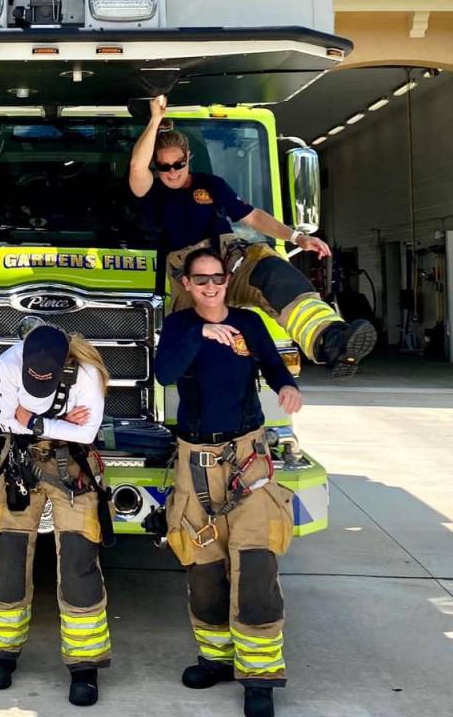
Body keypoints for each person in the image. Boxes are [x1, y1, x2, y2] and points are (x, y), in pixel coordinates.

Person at [154, 248, 303, 717]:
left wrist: (287, 385)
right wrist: (201, 332)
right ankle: (216, 658)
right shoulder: (179, 328)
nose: (211, 287)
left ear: (226, 280)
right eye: (200, 280)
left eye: (217, 278)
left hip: (246, 457)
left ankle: (259, 675)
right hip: (195, 460)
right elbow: (165, 373)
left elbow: (273, 366)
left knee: (256, 560)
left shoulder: (250, 322)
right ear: (186, 285)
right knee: (202, 562)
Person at [130, 96, 376, 378]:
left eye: (179, 164)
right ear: (156, 167)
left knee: (274, 272)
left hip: (231, 264)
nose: (172, 172)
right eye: (164, 167)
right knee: (189, 340)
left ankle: (330, 340)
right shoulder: (152, 193)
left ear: (189, 159)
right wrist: (155, 121)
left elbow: (254, 217)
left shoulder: (212, 185)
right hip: (190, 279)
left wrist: (297, 237)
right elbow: (137, 168)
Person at [0, 324, 113, 707]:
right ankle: (0, 654)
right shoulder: (8, 361)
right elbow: (7, 421)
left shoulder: (86, 370)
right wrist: (61, 422)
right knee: (7, 555)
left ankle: (84, 665)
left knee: (78, 561)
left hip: (73, 467)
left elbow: (86, 433)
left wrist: (35, 420)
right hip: (20, 463)